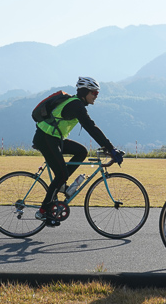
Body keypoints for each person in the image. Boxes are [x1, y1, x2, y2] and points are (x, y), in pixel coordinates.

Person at [33, 76, 122, 225]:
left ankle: (61, 184)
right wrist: (111, 148)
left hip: (55, 139)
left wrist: (108, 147)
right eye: (94, 93)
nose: (96, 97)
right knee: (61, 174)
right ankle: (43, 211)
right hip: (45, 138)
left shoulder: (77, 104)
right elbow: (91, 127)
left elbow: (91, 128)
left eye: (97, 94)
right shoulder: (76, 106)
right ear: (85, 92)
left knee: (81, 151)